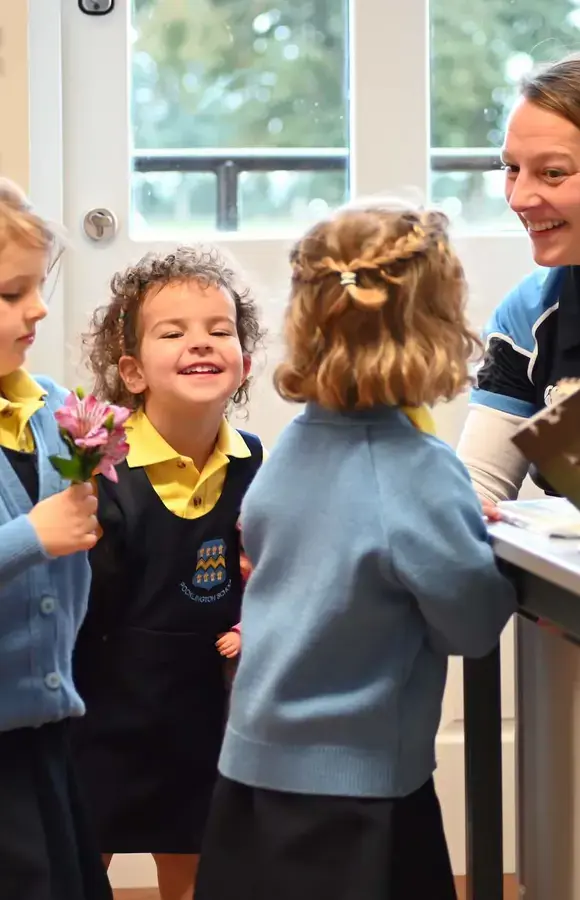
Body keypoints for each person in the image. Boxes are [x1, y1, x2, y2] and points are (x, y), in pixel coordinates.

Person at [194, 203, 517, 900]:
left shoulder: (292, 450)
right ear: (436, 329)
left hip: (250, 774)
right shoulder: (419, 470)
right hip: (358, 795)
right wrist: (473, 539)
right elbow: (471, 622)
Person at [71, 246, 265, 900]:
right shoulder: (103, 468)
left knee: (194, 861)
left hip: (207, 706)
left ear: (244, 363)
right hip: (107, 705)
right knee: (79, 857)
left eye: (220, 330)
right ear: (131, 371)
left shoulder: (255, 463)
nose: (201, 344)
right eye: (173, 332)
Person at [0, 178, 111, 900]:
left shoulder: (57, 411)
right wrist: (30, 536)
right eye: (13, 294)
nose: (38, 309)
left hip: (46, 733)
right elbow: (43, 538)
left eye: (38, 288)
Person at [457, 54, 580, 510]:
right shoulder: (528, 315)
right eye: (511, 168)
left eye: (552, 172)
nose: (520, 198)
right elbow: (478, 491)